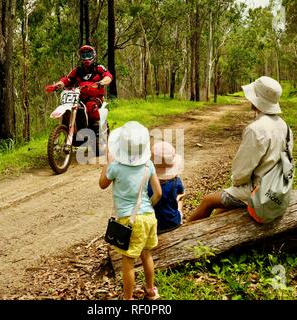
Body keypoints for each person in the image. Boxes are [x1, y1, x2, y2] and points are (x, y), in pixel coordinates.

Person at [187, 76, 293, 222]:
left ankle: (185, 238)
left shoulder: (255, 129)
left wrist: (236, 184)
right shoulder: (284, 126)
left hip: (257, 191)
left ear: (256, 100)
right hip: (277, 189)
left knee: (208, 201)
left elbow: (240, 173)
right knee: (221, 209)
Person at [99, 121, 162, 300]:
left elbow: (102, 184)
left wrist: (106, 162)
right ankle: (150, 291)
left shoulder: (116, 167)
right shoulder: (148, 165)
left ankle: (127, 298)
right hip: (149, 217)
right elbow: (158, 193)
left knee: (128, 261)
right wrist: (146, 207)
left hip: (129, 220)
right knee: (146, 254)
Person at [47, 45, 113, 125]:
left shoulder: (98, 68)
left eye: (89, 55)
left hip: (95, 98)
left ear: (93, 55)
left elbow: (108, 76)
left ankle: (96, 128)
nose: (86, 58)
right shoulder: (77, 70)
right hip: (79, 98)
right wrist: (57, 85)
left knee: (90, 106)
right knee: (72, 108)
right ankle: (68, 129)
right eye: (84, 56)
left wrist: (100, 83)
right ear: (80, 57)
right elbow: (67, 79)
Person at [148, 141, 185, 234]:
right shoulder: (176, 182)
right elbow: (181, 194)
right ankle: (180, 216)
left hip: (152, 226)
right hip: (173, 223)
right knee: (180, 198)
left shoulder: (146, 183)